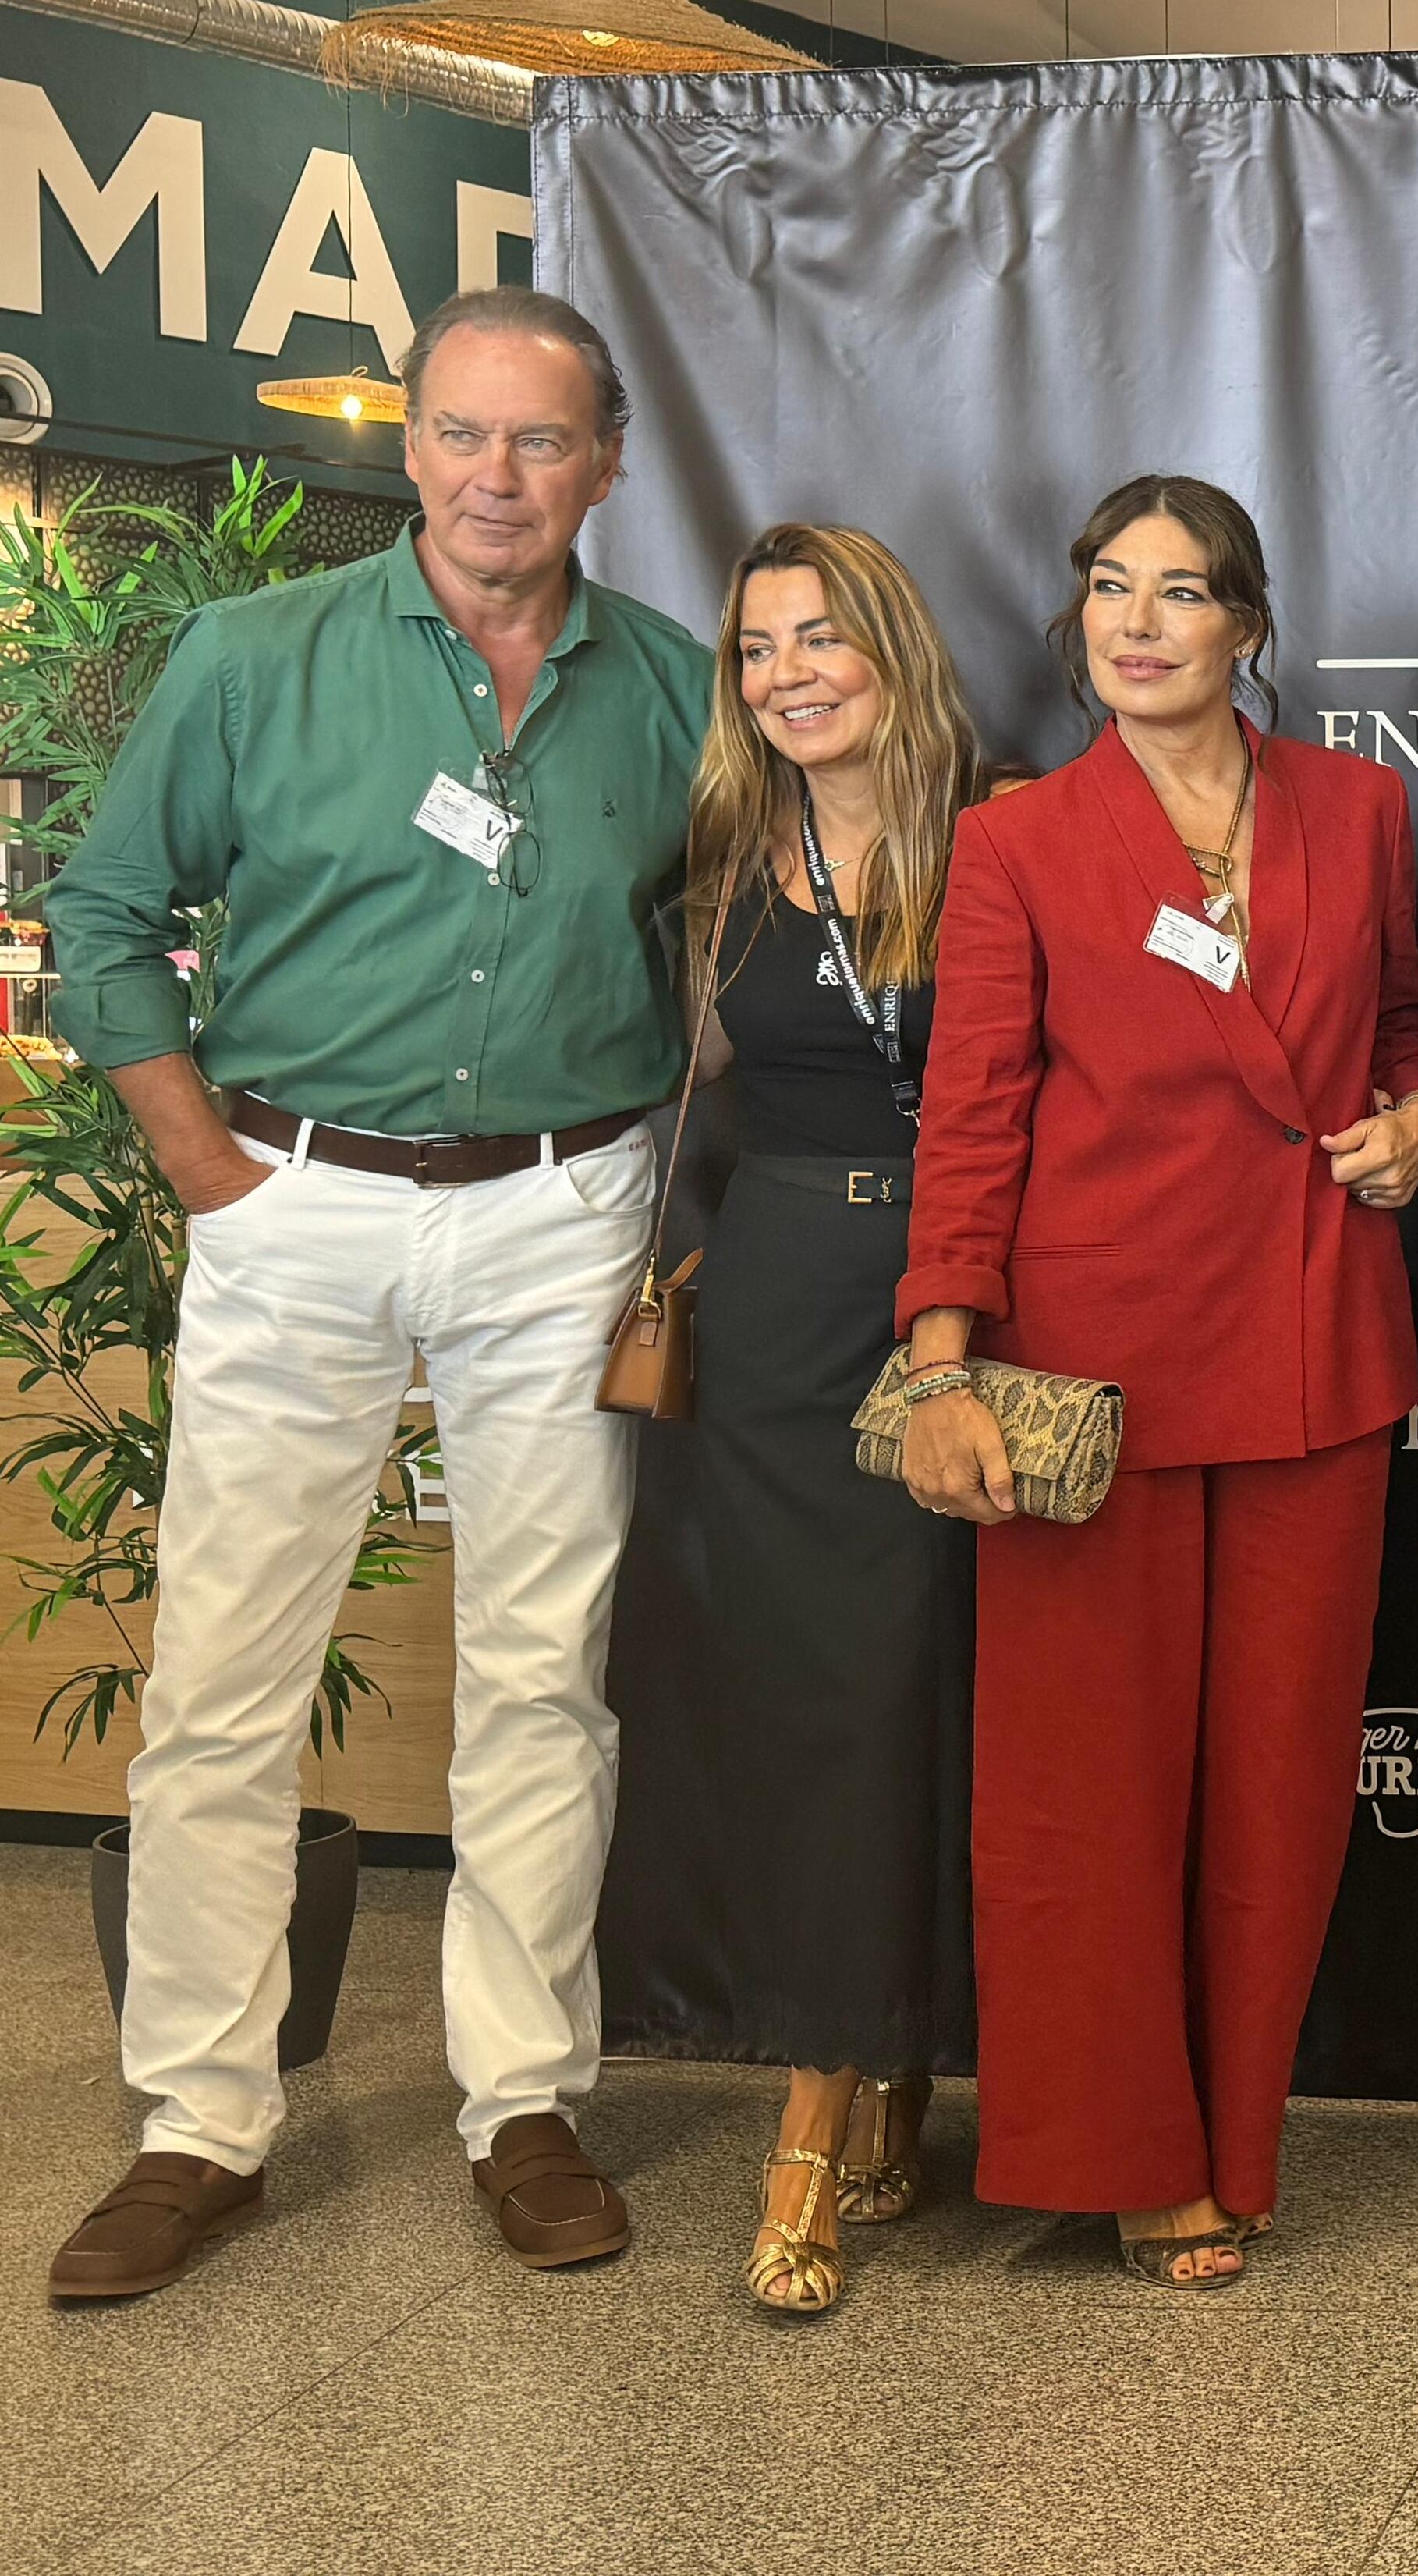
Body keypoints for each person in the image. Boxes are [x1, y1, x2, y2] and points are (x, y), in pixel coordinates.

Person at [43, 286, 714, 2301]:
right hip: (296, 1198)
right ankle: (199, 2119)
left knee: (539, 1669)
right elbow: (102, 916)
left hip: (557, 1210)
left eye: (540, 441)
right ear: (406, 447)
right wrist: (203, 1169)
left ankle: (522, 2097)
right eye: (460, 435)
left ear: (607, 462)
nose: (496, 476)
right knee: (225, 1675)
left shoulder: (678, 688)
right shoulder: (260, 658)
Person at [892, 475, 1418, 2288]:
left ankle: (1235, 2140)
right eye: (1109, 590)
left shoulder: (1360, 810)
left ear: (1246, 627)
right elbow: (970, 1109)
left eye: (1181, 591)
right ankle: (1121, 2153)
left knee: (1278, 1781)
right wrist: (944, 1353)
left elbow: (1399, 1021)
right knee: (1087, 1788)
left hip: (1312, 1344)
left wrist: (1413, 1119)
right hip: (1089, 1374)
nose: (1138, 622)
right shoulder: (1023, 839)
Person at [595, 524, 982, 2317]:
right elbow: (683, 1097)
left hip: (965, 1314)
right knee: (820, 1709)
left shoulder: (1011, 835)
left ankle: (878, 2069)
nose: (788, 674)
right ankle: (834, 2092)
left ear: (893, 648)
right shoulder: (727, 865)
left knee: (936, 1701)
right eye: (757, 649)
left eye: (823, 637)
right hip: (768, 1323)